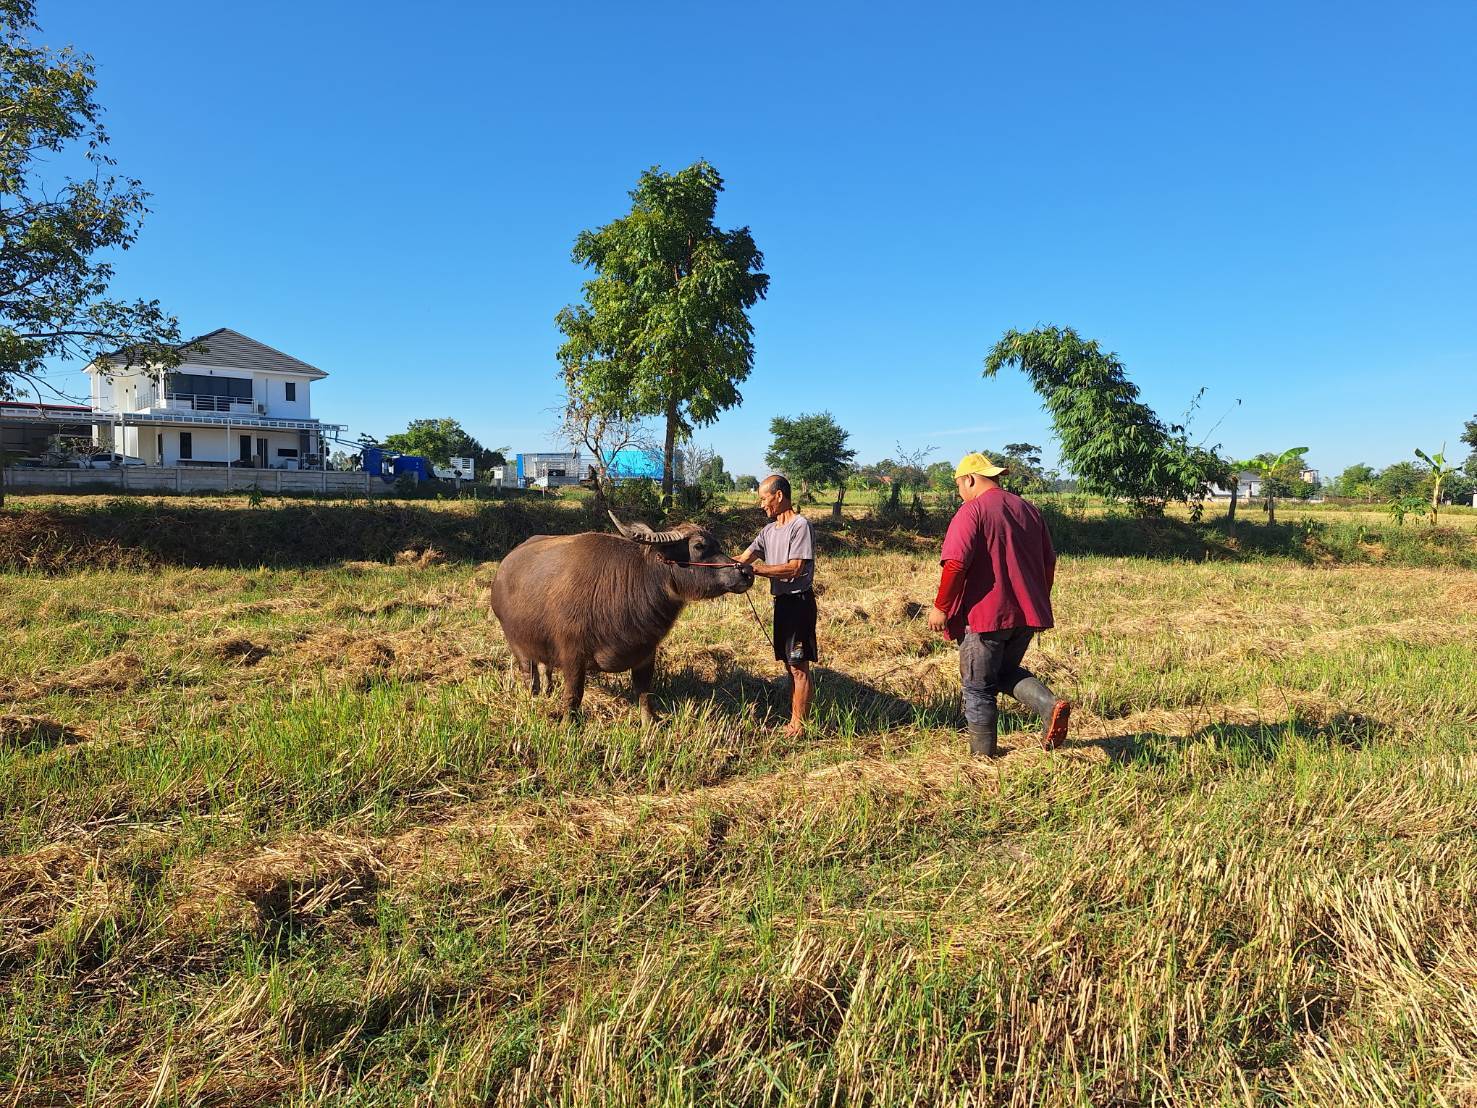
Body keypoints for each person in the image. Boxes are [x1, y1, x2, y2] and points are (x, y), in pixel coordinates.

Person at [927, 453, 1070, 757]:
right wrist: (1037, 600)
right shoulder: (1029, 510)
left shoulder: (972, 511)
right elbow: (1049, 562)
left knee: (978, 687)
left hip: (984, 617)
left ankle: (983, 757)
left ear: (969, 479)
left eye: (959, 485)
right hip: (1026, 615)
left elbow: (955, 564)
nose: (960, 492)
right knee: (1003, 672)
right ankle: (1048, 704)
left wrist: (941, 607)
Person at [736, 474, 816, 737]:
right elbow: (743, 558)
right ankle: (795, 718)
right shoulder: (768, 531)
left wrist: (758, 570)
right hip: (781, 603)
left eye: (764, 499)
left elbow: (795, 568)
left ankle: (798, 726)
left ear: (779, 496)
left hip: (799, 604)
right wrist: (713, 564)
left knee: (798, 666)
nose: (762, 505)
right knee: (788, 665)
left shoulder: (800, 526)